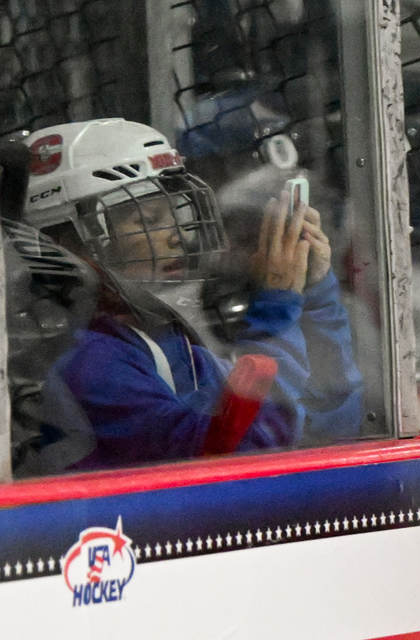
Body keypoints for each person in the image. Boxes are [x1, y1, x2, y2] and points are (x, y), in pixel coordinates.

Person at [9, 118, 361, 471]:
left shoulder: (162, 336)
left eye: (173, 217)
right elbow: (245, 453)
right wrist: (277, 307)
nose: (177, 236)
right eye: (147, 220)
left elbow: (329, 418)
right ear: (65, 241)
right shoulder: (91, 359)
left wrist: (314, 294)